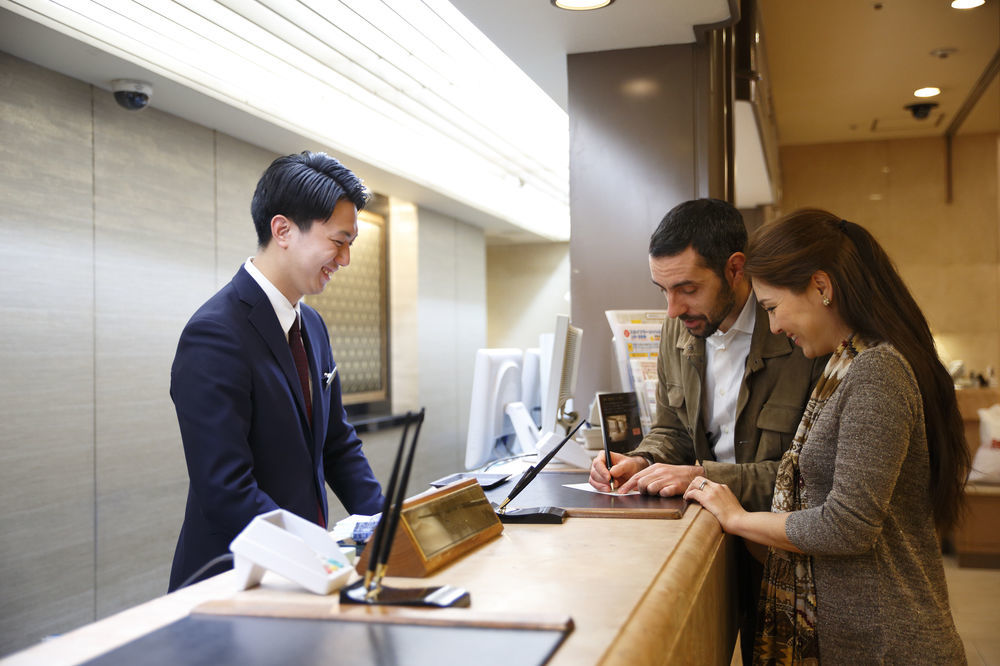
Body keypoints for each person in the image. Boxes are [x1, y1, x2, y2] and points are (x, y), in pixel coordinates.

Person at [685, 209, 969, 664]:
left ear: (821, 287)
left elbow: (846, 526)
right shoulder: (846, 366)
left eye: (773, 308)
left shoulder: (876, 370)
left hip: (885, 643)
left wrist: (736, 517)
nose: (774, 327)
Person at [589, 198, 825, 663]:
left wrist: (702, 476)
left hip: (778, 544)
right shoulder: (677, 332)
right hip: (708, 531)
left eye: (687, 289)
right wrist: (644, 458)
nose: (673, 309)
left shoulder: (799, 335)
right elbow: (672, 429)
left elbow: (810, 479)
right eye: (663, 291)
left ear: (736, 269)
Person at [168, 151, 384, 591]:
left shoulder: (314, 326)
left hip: (303, 573)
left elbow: (336, 444)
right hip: (238, 579)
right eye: (338, 241)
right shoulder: (214, 333)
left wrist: (387, 524)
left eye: (350, 245)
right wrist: (318, 558)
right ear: (283, 230)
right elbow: (225, 488)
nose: (344, 259)